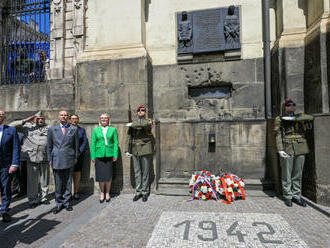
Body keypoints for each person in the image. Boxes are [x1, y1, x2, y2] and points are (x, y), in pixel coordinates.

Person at [274, 99, 313, 207]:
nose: (291, 107)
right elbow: (277, 134)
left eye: (293, 105)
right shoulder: (280, 118)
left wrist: (295, 118)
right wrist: (280, 149)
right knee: (287, 173)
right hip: (288, 147)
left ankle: (296, 195)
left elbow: (310, 118)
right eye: (288, 105)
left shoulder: (300, 116)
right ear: (284, 107)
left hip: (301, 147)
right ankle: (288, 196)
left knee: (298, 173)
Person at [10, 112, 50, 208]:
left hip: (45, 157)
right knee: (32, 181)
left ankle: (44, 197)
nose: (40, 120)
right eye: (38, 118)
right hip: (32, 157)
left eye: (42, 118)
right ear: (34, 118)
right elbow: (11, 125)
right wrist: (26, 120)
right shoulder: (26, 127)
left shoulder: (49, 128)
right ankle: (33, 200)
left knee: (45, 179)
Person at [47, 110, 79, 214]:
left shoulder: (73, 129)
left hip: (69, 158)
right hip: (56, 158)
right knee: (58, 182)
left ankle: (67, 203)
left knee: (68, 182)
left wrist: (75, 157)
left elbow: (76, 145)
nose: (64, 117)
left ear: (68, 117)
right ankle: (58, 203)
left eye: (66, 115)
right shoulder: (52, 129)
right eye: (62, 115)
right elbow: (49, 146)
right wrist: (49, 159)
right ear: (59, 116)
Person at [125, 105, 154, 202]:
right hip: (135, 149)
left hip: (145, 148)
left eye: (143, 110)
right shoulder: (133, 122)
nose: (141, 112)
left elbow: (146, 126)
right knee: (137, 172)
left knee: (145, 172)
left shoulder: (149, 121)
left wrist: (132, 125)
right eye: (139, 110)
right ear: (137, 112)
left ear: (145, 112)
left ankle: (145, 192)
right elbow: (129, 136)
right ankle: (138, 192)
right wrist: (127, 150)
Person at [91, 113, 118, 203]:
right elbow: (93, 143)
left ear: (108, 120)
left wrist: (115, 155)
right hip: (99, 155)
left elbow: (115, 143)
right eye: (102, 118)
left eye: (105, 118)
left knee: (108, 175)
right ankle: (102, 193)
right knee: (100, 176)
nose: (103, 119)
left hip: (109, 155)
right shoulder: (96, 130)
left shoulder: (113, 129)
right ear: (99, 120)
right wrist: (93, 156)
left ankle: (107, 193)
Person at [0, 110, 20, 222]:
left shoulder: (11, 130)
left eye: (0, 115)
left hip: (5, 165)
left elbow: (16, 148)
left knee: (6, 187)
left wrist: (14, 163)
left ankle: (4, 210)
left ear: (4, 117)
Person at [70, 114, 87, 200]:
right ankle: (68, 193)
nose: (75, 120)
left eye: (76, 119)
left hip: (78, 155)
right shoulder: (66, 129)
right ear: (70, 120)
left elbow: (84, 141)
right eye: (73, 119)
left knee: (77, 173)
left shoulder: (82, 130)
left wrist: (79, 151)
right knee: (67, 174)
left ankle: (76, 192)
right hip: (68, 155)